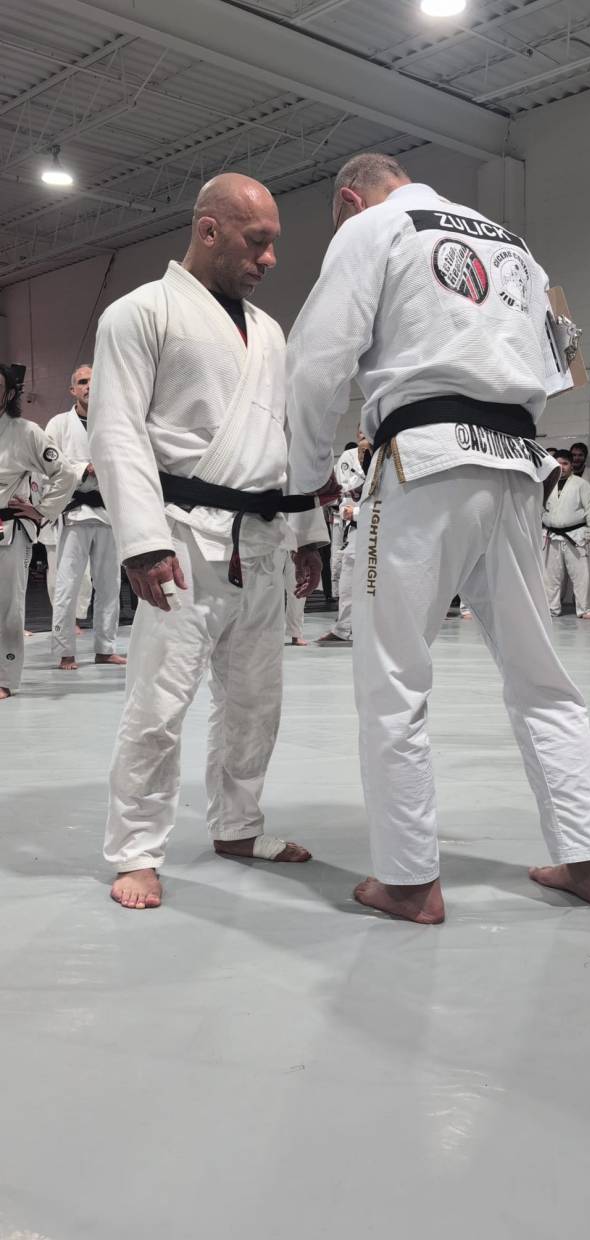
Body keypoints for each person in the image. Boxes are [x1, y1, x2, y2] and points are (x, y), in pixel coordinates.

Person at [286, 152, 590, 923]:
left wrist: (306, 479)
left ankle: (408, 881)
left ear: (349, 198)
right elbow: (561, 364)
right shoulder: (515, 245)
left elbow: (316, 364)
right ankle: (589, 862)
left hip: (424, 462)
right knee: (541, 677)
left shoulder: (374, 226)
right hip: (517, 465)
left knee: (393, 677)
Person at [88, 173, 328, 910]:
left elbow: (289, 438)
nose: (269, 259)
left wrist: (308, 531)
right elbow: (116, 430)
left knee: (256, 703)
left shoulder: (270, 332)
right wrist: (141, 540)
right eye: (258, 242)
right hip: (183, 537)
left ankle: (238, 826)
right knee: (160, 704)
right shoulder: (140, 312)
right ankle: (136, 850)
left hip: (263, 540)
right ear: (209, 229)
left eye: (273, 245)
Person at [0, 364, 78, 700]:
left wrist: (43, 510)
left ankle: (5, 678)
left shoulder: (26, 432)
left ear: (9, 394)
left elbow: (66, 473)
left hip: (7, 528)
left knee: (7, 607)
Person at [45, 365, 126, 671]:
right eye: (82, 382)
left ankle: (106, 648)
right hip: (74, 513)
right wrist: (83, 469)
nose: (89, 386)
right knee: (68, 584)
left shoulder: (114, 422)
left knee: (110, 585)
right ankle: (65, 651)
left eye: (94, 380)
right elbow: (47, 465)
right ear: (73, 390)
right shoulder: (58, 424)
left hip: (107, 513)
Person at [318, 427, 370, 645]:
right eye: (360, 431)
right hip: (355, 529)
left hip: (382, 528)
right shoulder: (348, 458)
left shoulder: (387, 456)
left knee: (374, 583)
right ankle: (343, 628)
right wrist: (348, 511)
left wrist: (356, 512)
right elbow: (343, 495)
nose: (362, 435)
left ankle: (368, 629)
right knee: (347, 577)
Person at [542, 450, 590, 619]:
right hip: (551, 535)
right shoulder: (546, 484)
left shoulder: (581, 484)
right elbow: (539, 508)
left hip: (576, 535)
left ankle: (585, 608)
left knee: (581, 575)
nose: (562, 467)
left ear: (571, 465)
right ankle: (551, 608)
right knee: (551, 576)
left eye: (565, 463)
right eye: (558, 463)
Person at [283, 550, 307, 645]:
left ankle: (295, 633)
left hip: (295, 546)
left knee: (297, 589)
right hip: (267, 545)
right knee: (266, 587)